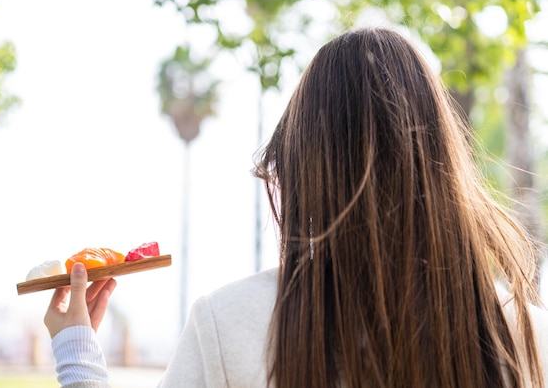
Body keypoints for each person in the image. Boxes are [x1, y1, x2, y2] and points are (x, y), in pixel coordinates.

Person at [44, 26, 548, 388]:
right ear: (442, 165)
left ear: (300, 164)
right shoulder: (527, 338)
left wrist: (77, 354)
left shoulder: (228, 324)